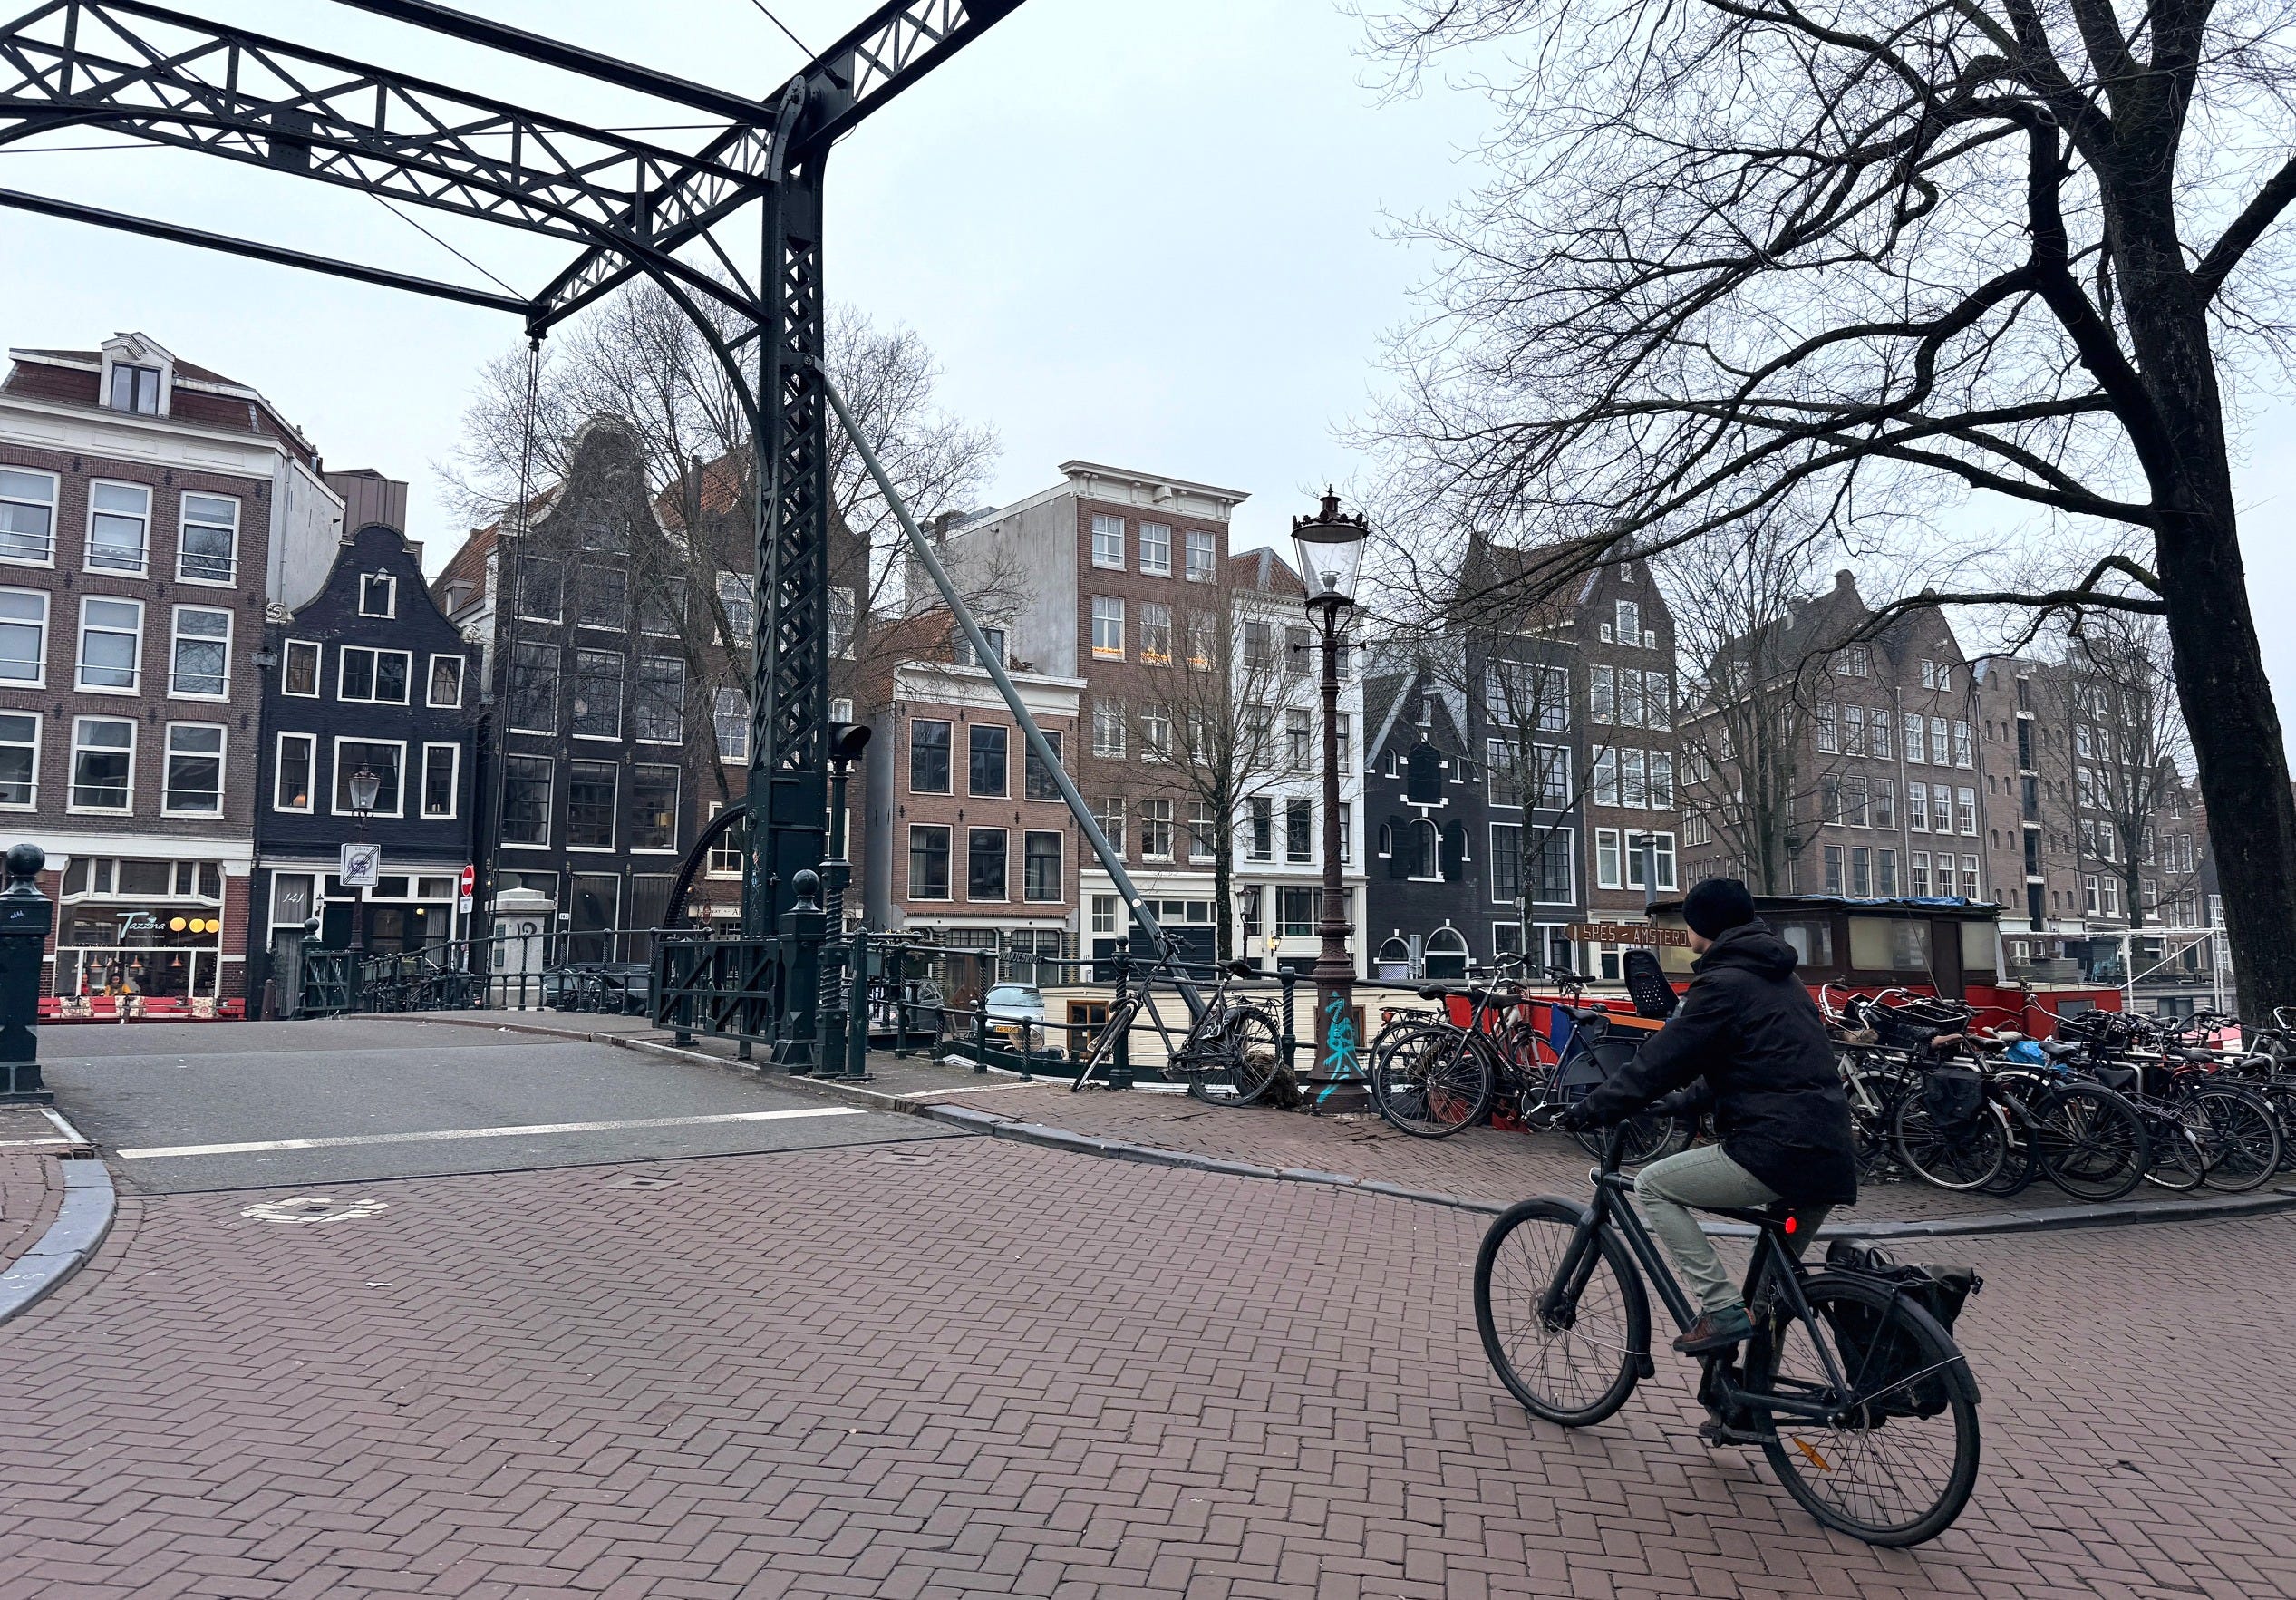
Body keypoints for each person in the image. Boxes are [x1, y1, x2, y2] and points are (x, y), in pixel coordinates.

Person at [1561, 878, 1857, 1353]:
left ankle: (1719, 1310)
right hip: (1829, 1150)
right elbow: (1756, 1066)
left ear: (1703, 926)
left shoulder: (1722, 983)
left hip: (1776, 1149)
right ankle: (1750, 1394)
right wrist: (1680, 1104)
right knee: (1766, 1302)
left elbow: (1662, 1061)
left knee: (1652, 1185)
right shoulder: (1782, 978)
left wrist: (1589, 1110)